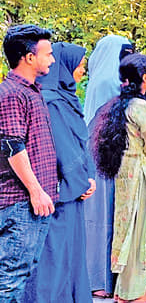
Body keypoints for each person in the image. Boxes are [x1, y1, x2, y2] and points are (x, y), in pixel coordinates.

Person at [95, 54, 146, 303]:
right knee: (139, 232)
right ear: (144, 77)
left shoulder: (120, 104)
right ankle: (132, 293)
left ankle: (124, 290)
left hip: (124, 174)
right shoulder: (142, 107)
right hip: (140, 174)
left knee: (126, 230)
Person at [25, 42, 93, 303]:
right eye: (79, 65)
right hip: (60, 193)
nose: (82, 71)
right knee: (55, 262)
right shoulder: (52, 102)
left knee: (68, 259)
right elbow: (62, 148)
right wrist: (83, 182)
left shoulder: (61, 97)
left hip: (69, 192)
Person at [0, 26, 58, 301]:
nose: (52, 60)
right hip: (20, 202)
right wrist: (36, 191)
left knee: (19, 273)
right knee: (10, 278)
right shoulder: (12, 93)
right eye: (47, 54)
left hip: (31, 202)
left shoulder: (31, 91)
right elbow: (12, 146)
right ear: (28, 57)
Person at [83, 34, 134, 298]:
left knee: (110, 215)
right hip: (103, 151)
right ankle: (100, 279)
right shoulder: (108, 82)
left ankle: (107, 277)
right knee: (102, 215)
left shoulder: (101, 80)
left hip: (105, 149)